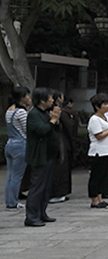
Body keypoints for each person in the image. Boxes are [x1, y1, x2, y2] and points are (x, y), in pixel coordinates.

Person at [24, 88, 61, 226]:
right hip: (39, 155)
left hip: (49, 154)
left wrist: (56, 121)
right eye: (50, 98)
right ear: (42, 100)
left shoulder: (45, 113)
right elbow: (41, 130)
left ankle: (41, 212)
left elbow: (56, 130)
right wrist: (52, 121)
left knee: (46, 187)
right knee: (37, 186)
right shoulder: (34, 114)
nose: (52, 100)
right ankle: (32, 216)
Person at [87, 93, 108, 209]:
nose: (107, 106)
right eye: (104, 104)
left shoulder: (107, 117)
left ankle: (100, 198)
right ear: (97, 106)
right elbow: (99, 135)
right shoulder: (94, 119)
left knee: (104, 176)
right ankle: (94, 199)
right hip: (98, 151)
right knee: (96, 176)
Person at [5, 86, 30, 211]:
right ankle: (13, 202)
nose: (29, 98)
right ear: (22, 98)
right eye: (27, 96)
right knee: (17, 176)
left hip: (10, 144)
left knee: (10, 175)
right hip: (20, 145)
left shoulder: (9, 110)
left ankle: (9, 201)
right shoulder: (21, 112)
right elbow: (28, 129)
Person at [48, 90, 72, 204]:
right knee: (59, 168)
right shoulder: (57, 111)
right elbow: (69, 126)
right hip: (59, 142)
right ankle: (56, 193)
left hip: (55, 141)